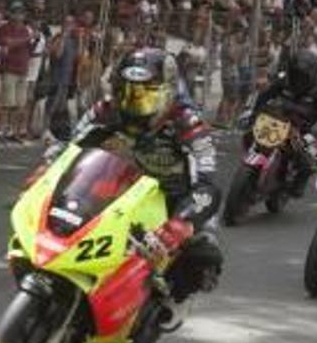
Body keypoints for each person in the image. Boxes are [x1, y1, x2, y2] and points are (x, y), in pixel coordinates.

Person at [66, 49, 222, 308]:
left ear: (168, 92)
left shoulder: (187, 122)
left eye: (146, 93)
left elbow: (208, 186)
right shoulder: (106, 109)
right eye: (127, 91)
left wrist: (180, 224)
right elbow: (71, 149)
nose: (134, 101)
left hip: (177, 198)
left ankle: (165, 304)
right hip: (126, 188)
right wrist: (47, 169)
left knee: (204, 253)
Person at [243, 48, 317, 196]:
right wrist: (252, 113)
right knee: (248, 132)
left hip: (302, 129)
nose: (298, 79)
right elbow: (263, 95)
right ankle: (255, 162)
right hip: (276, 119)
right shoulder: (283, 78)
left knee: (308, 162)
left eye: (302, 76)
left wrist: (311, 135)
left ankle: (296, 185)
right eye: (295, 74)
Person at [0, 1, 34, 141]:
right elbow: (8, 43)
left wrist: (32, 41)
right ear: (11, 13)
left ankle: (13, 132)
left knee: (20, 105)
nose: (19, 15)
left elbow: (28, 49)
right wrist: (27, 39)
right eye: (16, 12)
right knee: (7, 103)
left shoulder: (25, 30)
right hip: (10, 69)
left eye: (21, 12)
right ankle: (1, 131)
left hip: (23, 70)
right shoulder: (5, 28)